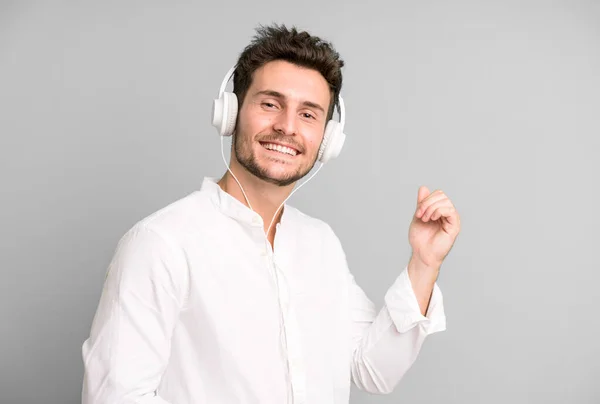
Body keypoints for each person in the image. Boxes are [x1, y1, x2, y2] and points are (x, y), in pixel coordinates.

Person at [81, 23, 461, 404]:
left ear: (327, 141)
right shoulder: (161, 243)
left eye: (309, 114)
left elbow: (373, 369)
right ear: (231, 113)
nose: (287, 127)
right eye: (270, 104)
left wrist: (424, 264)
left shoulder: (320, 242)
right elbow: (115, 396)